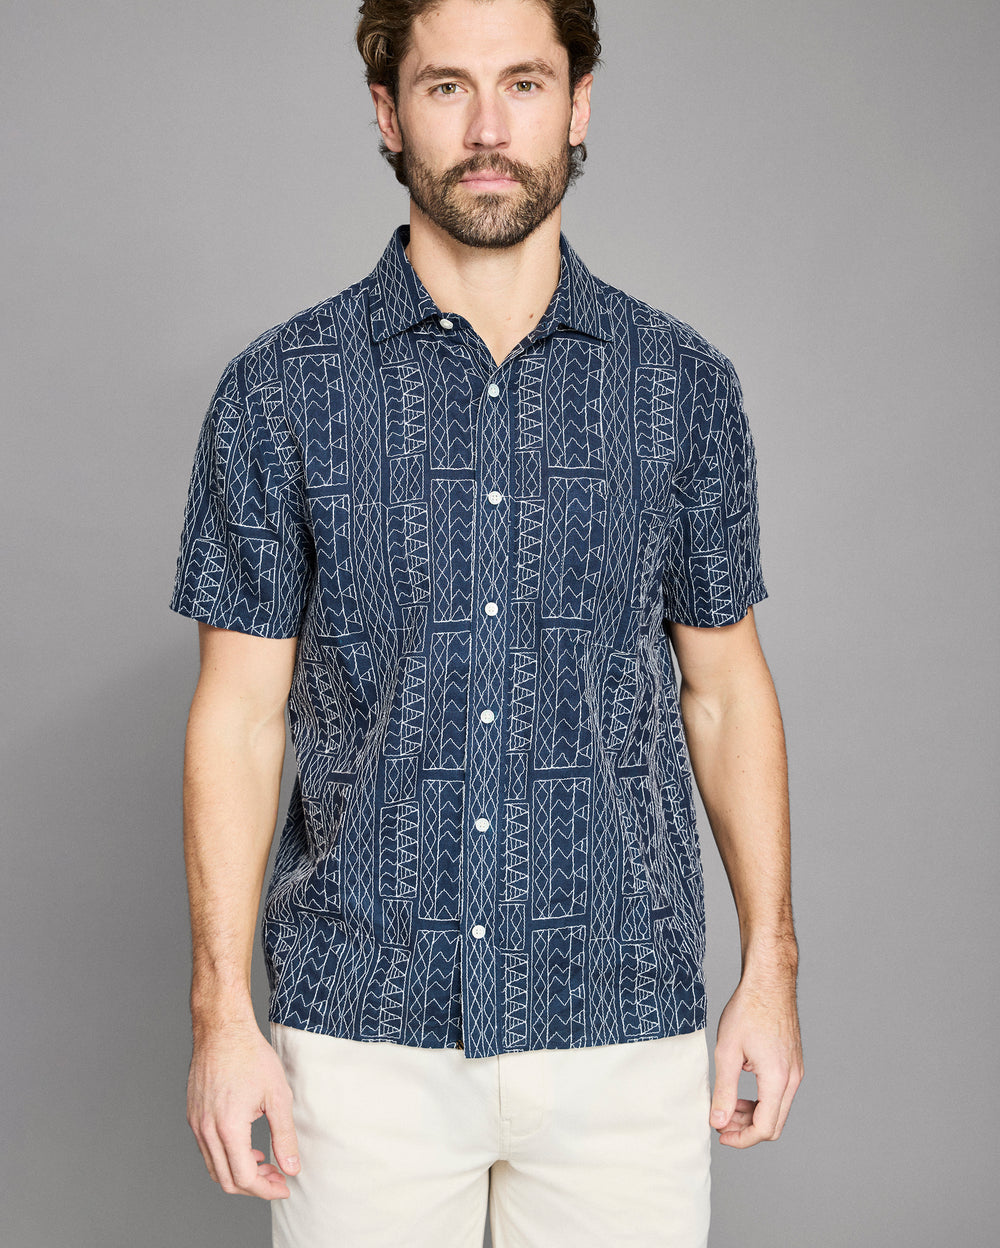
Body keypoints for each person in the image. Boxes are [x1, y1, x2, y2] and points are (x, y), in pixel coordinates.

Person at [171, 1, 803, 1244]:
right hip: (359, 1041)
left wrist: (770, 976)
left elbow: (726, 691)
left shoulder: (682, 389)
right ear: (386, 112)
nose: (489, 128)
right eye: (447, 87)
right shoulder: (279, 392)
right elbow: (237, 718)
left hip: (624, 1034)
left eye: (524, 83)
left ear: (579, 105)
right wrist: (221, 1018)